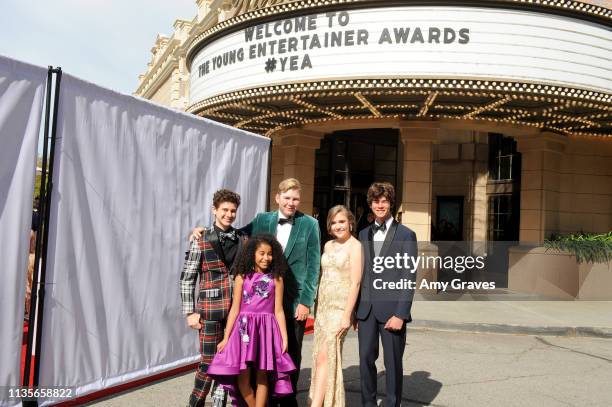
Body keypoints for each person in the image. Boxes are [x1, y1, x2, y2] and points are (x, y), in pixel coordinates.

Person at [192, 178, 321, 407]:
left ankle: (287, 401)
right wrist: (204, 230)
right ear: (278, 198)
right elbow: (235, 235)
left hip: (292, 303)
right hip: (253, 311)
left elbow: (313, 266)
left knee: (289, 355)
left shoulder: (310, 224)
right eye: (287, 198)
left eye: (296, 198)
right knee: (256, 362)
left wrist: (306, 301)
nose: (291, 203)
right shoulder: (263, 219)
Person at [207, 234, 296, 407]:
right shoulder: (241, 277)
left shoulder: (277, 279)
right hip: (243, 330)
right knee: (243, 378)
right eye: (261, 253)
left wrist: (284, 337)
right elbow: (235, 309)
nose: (266, 258)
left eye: (270, 254)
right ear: (252, 254)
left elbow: (278, 310)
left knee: (263, 376)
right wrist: (226, 337)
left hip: (266, 330)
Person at [180, 189, 248, 407]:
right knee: (208, 362)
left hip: (237, 313)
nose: (229, 214)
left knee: (228, 363)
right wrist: (190, 312)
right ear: (214, 210)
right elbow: (187, 278)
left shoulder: (244, 240)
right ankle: (196, 402)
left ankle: (219, 404)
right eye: (225, 210)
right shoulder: (200, 239)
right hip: (208, 312)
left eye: (233, 211)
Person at [356, 182, 418, 407]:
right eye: (375, 201)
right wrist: (356, 312)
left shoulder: (406, 235)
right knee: (364, 361)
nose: (380, 205)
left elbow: (409, 277)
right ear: (370, 204)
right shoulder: (363, 234)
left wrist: (401, 314)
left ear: (391, 203)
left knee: (392, 365)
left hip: (393, 312)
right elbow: (360, 275)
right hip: (366, 311)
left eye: (384, 201)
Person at [309, 206, 362, 407]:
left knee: (326, 356)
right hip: (323, 307)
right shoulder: (328, 245)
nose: (338, 226)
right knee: (319, 356)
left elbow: (355, 282)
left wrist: (347, 314)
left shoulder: (355, 246)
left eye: (341, 221)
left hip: (340, 309)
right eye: (333, 222)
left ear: (350, 222)